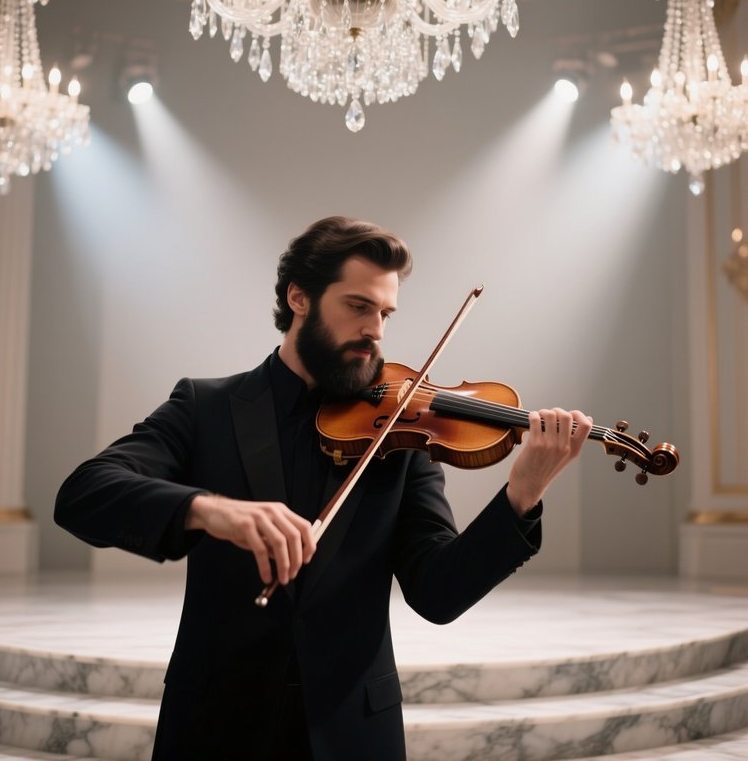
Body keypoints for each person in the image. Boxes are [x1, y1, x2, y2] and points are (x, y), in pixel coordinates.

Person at [55, 216, 592, 761]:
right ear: (300, 298)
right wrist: (209, 511)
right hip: (218, 726)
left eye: (385, 313)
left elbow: (438, 593)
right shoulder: (206, 407)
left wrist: (521, 496)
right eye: (358, 307)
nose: (376, 330)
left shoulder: (400, 432)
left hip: (354, 734)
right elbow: (85, 493)